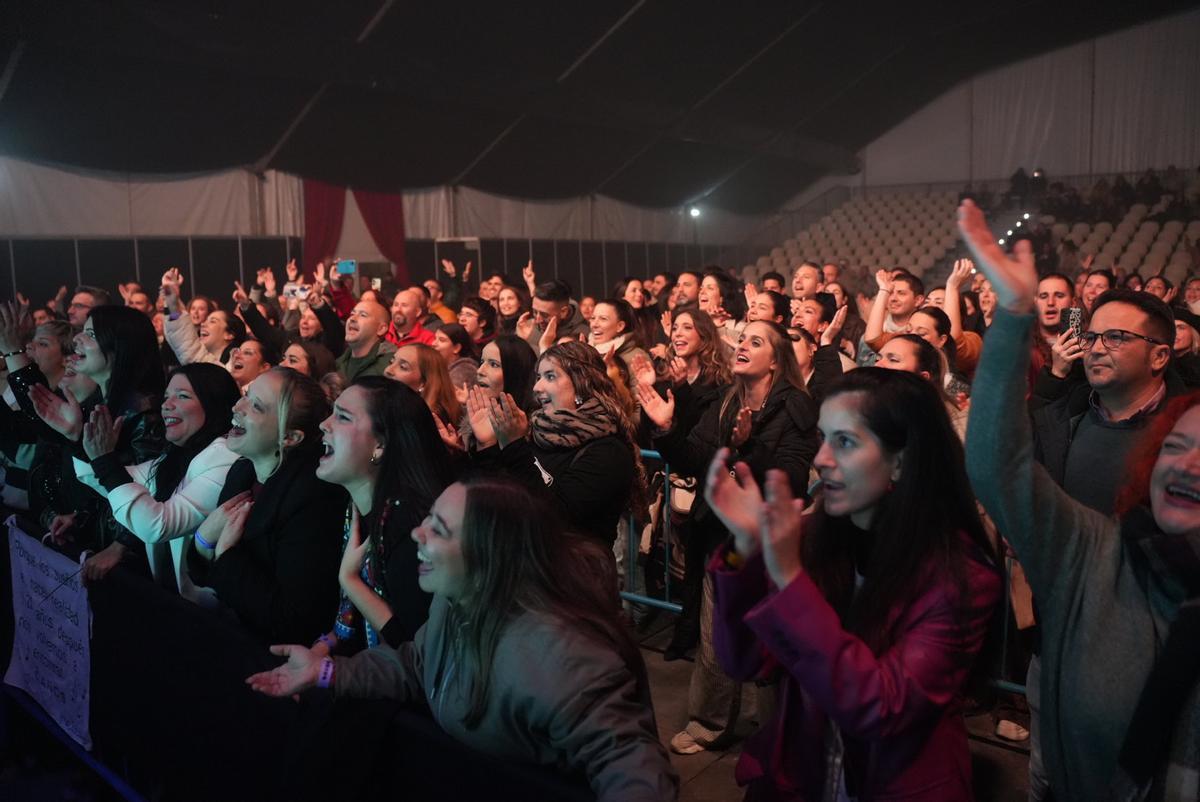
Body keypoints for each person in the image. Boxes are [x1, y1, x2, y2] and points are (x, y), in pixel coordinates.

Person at [960, 197, 1200, 800]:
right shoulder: (1063, 423)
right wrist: (1013, 316)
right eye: (1090, 335)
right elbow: (998, 464)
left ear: (1161, 355)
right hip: (1061, 626)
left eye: (1115, 337)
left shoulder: (1181, 420)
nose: (1094, 346)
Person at [246, 476, 678, 802]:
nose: (417, 533)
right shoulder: (455, 603)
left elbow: (631, 765)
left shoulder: (559, 658)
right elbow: (418, 664)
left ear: (488, 556)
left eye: (439, 528)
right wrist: (327, 672)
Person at [704, 366, 1001, 799]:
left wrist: (789, 580)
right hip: (801, 775)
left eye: (844, 442)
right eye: (823, 438)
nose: (821, 458)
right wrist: (743, 548)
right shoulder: (813, 537)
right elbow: (743, 661)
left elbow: (879, 707)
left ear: (901, 460)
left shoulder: (962, 575)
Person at [638, 320, 820, 755]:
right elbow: (696, 457)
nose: (742, 345)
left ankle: (778, 732)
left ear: (775, 361)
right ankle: (708, 722)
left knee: (773, 636)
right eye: (742, 339)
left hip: (770, 542)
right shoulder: (725, 401)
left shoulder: (795, 406)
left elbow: (791, 477)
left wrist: (746, 448)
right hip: (724, 536)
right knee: (715, 629)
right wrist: (667, 430)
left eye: (755, 342)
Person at [188, 368, 347, 643]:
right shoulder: (242, 470)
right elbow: (203, 575)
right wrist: (203, 542)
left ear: (290, 438)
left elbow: (294, 620)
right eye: (246, 396)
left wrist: (224, 555)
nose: (238, 406)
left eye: (256, 407)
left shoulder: (314, 498)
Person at [11, 305, 167, 579]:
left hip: (133, 568)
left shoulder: (147, 415)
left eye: (91, 334)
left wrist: (121, 546)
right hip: (95, 544)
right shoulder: (99, 403)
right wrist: (80, 519)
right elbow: (97, 489)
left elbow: (149, 492)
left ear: (119, 349)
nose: (77, 340)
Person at [312, 377, 454, 653]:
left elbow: (418, 652)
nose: (324, 424)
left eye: (342, 417)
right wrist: (323, 648)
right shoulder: (356, 507)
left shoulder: (412, 529)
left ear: (380, 444)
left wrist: (350, 581)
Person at [73, 363, 241, 594]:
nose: (166, 406)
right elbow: (119, 482)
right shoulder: (177, 455)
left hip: (214, 616)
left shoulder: (225, 456)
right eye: (166, 397)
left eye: (182, 396)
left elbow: (157, 525)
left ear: (213, 404)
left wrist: (106, 462)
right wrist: (74, 436)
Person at [468, 341, 643, 545]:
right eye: (538, 377)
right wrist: (487, 445)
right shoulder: (534, 431)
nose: (537, 387)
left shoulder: (609, 451)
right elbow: (499, 498)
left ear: (582, 384)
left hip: (573, 572)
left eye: (550, 376)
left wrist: (514, 447)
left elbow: (557, 519)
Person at [384, 343, 461, 426]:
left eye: (403, 367)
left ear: (423, 383)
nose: (388, 370)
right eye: (391, 362)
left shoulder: (428, 421)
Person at [335, 300, 395, 382]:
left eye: (363, 315)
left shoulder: (388, 369)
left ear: (381, 329)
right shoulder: (338, 364)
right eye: (352, 314)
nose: (352, 319)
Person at [524, 279, 590, 353]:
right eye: (535, 312)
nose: (538, 320)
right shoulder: (527, 327)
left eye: (544, 315)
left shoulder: (583, 333)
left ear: (563, 312)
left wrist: (541, 343)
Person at [589, 299, 650, 373]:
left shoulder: (637, 357)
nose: (594, 324)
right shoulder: (587, 353)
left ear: (620, 326)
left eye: (603, 319)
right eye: (592, 318)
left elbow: (643, 384)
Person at [431, 323, 479, 391]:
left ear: (456, 348)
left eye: (441, 340)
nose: (433, 344)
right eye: (435, 339)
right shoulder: (438, 366)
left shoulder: (465, 371)